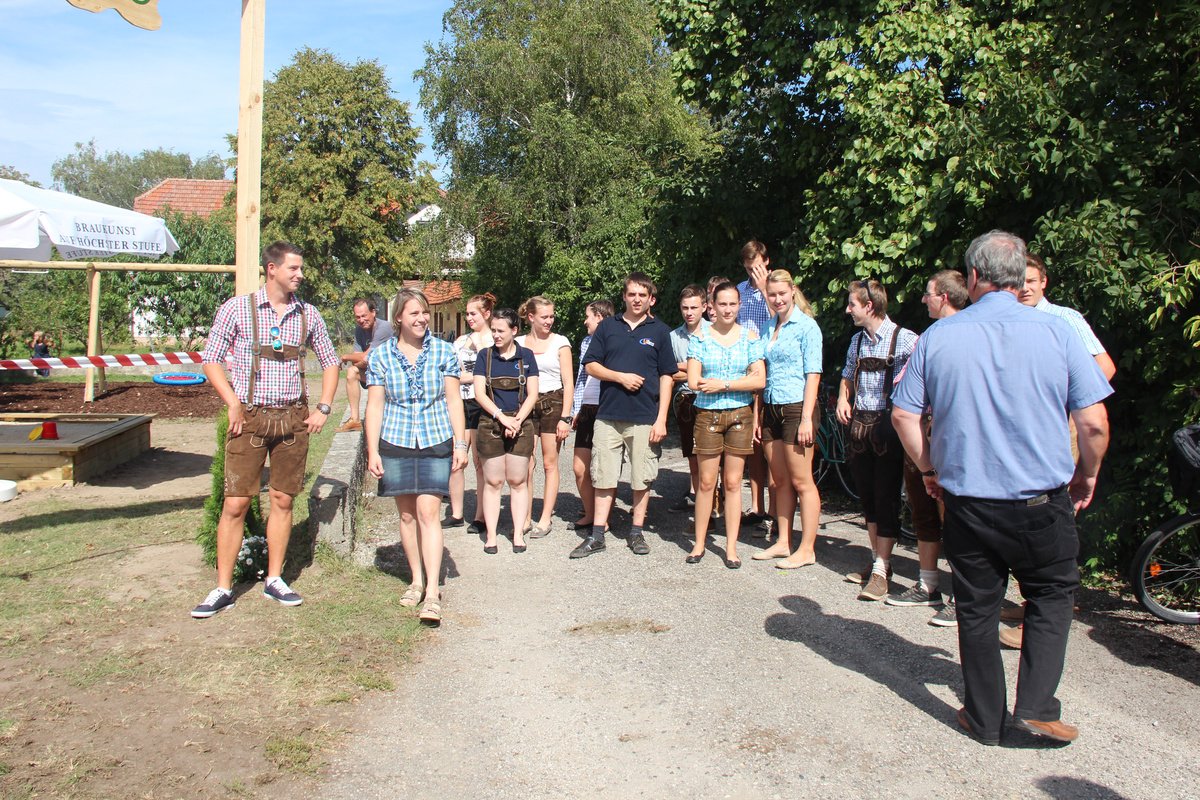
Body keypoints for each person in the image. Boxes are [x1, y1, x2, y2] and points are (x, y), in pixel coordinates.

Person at [893, 229, 1111, 746]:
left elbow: (903, 415)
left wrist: (929, 470)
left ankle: (984, 718)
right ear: (1020, 276)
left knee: (976, 607)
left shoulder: (938, 337)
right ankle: (1035, 709)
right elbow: (1094, 423)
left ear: (973, 277)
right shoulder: (1059, 332)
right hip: (1041, 502)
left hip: (968, 502)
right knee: (1052, 596)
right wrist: (1087, 474)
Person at [191, 241, 340, 619]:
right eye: (293, 268)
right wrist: (232, 402)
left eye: (300, 268)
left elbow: (331, 361)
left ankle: (275, 579)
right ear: (272, 269)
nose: (300, 275)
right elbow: (211, 360)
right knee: (236, 503)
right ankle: (223, 587)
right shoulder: (237, 309)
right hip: (250, 417)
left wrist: (323, 407)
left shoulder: (308, 314)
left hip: (293, 418)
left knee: (283, 500)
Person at [364, 288, 468, 627]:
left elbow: (453, 400)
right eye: (415, 313)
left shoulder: (443, 351)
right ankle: (416, 580)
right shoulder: (381, 356)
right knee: (407, 515)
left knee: (428, 512)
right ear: (399, 318)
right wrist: (372, 450)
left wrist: (460, 444)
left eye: (424, 312)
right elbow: (375, 406)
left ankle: (433, 592)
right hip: (396, 440)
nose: (422, 319)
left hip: (435, 439)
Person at [572, 273, 675, 559]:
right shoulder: (608, 327)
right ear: (624, 297)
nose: (637, 299)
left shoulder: (660, 331)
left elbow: (667, 376)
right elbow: (591, 366)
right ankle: (597, 535)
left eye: (642, 295)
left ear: (651, 299)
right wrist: (620, 377)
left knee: (642, 477)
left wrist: (662, 419)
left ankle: (636, 532)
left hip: (645, 416)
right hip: (608, 415)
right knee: (604, 475)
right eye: (632, 294)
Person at [888, 269, 969, 626]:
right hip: (921, 431)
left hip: (948, 434)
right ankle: (928, 584)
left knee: (955, 517)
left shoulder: (967, 334)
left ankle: (962, 595)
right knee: (922, 510)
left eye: (928, 293)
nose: (923, 299)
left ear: (944, 297)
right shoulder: (929, 336)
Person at [836, 279, 918, 601]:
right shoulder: (857, 341)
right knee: (868, 498)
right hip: (860, 428)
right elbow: (847, 374)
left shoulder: (906, 339)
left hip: (889, 429)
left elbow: (922, 381)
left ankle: (882, 571)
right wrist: (843, 398)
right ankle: (878, 562)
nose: (848, 310)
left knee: (886, 499)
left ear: (869, 306)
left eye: (852, 304)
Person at [686, 281, 765, 568]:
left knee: (733, 483)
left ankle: (731, 548)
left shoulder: (750, 338)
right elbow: (693, 381)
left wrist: (723, 384)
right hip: (708, 415)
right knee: (707, 482)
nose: (728, 309)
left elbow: (760, 380)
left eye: (733, 304)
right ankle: (699, 543)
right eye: (723, 304)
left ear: (739, 305)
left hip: (740, 415)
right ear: (712, 307)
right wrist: (740, 381)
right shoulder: (700, 338)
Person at [753, 269, 823, 569]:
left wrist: (807, 418)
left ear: (792, 291)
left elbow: (813, 374)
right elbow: (761, 374)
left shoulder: (807, 327)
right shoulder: (769, 327)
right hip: (771, 407)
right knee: (780, 480)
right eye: (772, 294)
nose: (777, 299)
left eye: (782, 293)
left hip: (797, 408)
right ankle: (783, 541)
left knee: (801, 481)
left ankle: (807, 548)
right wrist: (757, 416)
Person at [473, 308, 540, 554]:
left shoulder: (526, 356)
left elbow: (533, 393)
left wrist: (517, 421)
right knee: (493, 481)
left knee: (518, 481)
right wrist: (502, 418)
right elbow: (479, 393)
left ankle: (518, 533)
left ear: (514, 331)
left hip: (521, 424)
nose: (496, 335)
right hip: (491, 423)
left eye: (501, 331)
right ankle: (491, 536)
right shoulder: (485, 356)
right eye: (493, 330)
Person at [516, 296, 573, 538]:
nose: (549, 321)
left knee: (550, 463)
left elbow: (568, 382)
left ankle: (545, 517)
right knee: (526, 463)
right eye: (544, 317)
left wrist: (566, 417)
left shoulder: (560, 342)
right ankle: (525, 515)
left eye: (551, 316)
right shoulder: (518, 343)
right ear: (531, 317)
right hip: (527, 403)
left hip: (553, 403)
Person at [1020, 254, 1117, 380]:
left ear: (1043, 282)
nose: (1024, 288)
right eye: (1018, 283)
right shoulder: (1005, 324)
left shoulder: (1064, 318)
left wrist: (1073, 393)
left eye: (1030, 281)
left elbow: (1105, 367)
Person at [450, 293, 496, 533]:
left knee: (479, 461)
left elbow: (490, 373)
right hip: (459, 401)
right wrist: (468, 377)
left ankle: (480, 516)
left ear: (486, 314)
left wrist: (466, 377)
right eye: (467, 313)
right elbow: (451, 373)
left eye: (473, 313)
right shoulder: (460, 341)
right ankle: (456, 513)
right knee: (456, 459)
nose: (469, 318)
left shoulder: (494, 340)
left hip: (481, 402)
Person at [736, 241, 772, 528]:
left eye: (757, 267)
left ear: (766, 261)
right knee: (754, 442)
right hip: (746, 368)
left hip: (771, 366)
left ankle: (776, 510)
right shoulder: (739, 290)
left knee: (772, 441)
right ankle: (757, 507)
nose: (753, 273)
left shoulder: (778, 286)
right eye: (749, 269)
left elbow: (782, 320)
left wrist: (764, 289)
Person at [569, 300, 614, 532]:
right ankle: (590, 513)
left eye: (588, 316)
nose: (585, 321)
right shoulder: (586, 342)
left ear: (599, 316)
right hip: (587, 408)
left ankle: (602, 518)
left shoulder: (616, 339)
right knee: (580, 467)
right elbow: (581, 378)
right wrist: (576, 409)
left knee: (604, 468)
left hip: (607, 408)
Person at [669, 285, 710, 511]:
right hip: (686, 398)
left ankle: (715, 499)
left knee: (712, 454)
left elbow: (715, 370)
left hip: (711, 398)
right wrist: (696, 369)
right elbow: (667, 372)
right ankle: (696, 499)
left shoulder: (715, 332)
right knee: (692, 453)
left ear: (704, 307)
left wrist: (684, 367)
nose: (689, 312)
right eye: (685, 308)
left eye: (694, 307)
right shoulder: (673, 337)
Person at [337, 298, 393, 433]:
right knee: (352, 372)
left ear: (373, 312)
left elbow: (362, 357)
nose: (361, 320)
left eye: (364, 316)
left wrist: (344, 357)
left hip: (391, 376)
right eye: (358, 317)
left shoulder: (384, 328)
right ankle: (355, 420)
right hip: (374, 373)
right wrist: (363, 359)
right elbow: (359, 360)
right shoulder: (359, 330)